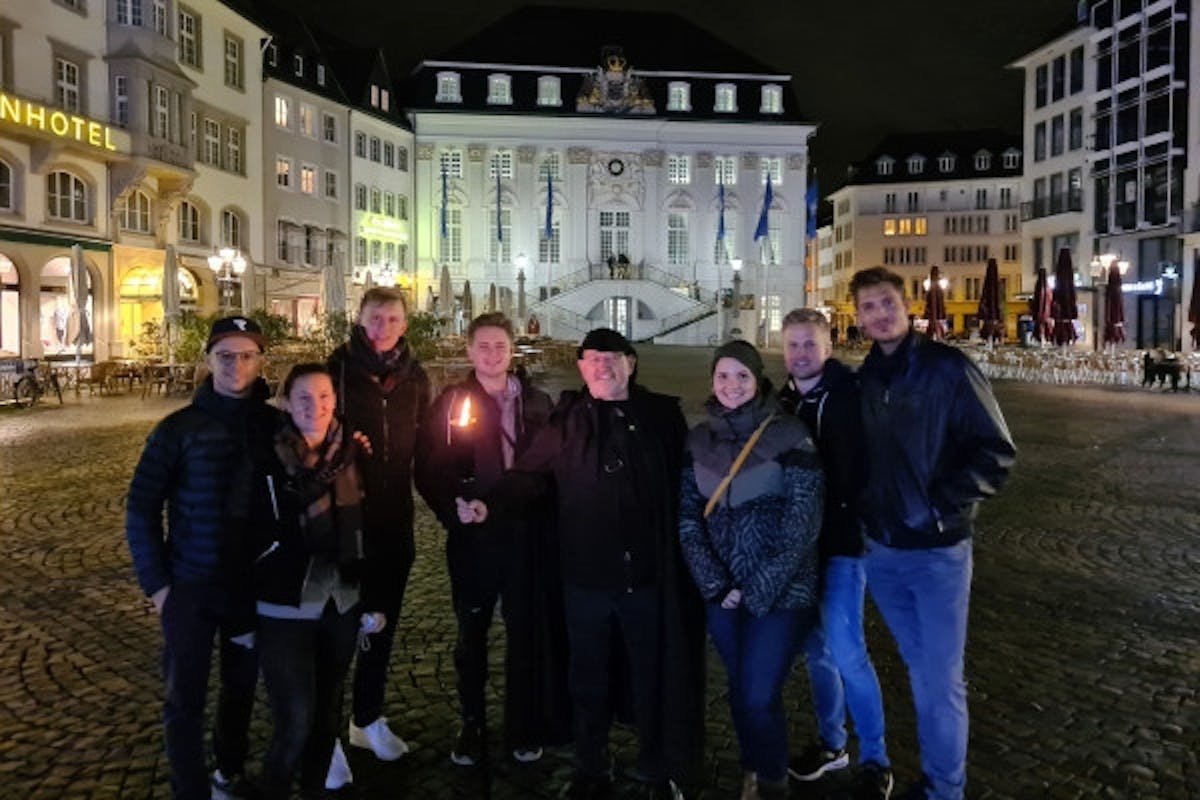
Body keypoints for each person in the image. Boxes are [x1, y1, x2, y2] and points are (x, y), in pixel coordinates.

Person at [456, 327, 705, 800]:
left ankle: (656, 766)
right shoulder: (566, 420)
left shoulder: (661, 417)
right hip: (585, 578)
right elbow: (529, 477)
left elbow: (691, 480)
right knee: (587, 677)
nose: (602, 366)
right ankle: (591, 765)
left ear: (631, 364)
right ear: (581, 367)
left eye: (612, 358)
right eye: (592, 359)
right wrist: (489, 503)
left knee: (649, 674)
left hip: (645, 578)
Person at [849, 267, 1015, 800]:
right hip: (882, 551)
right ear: (858, 317)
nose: (879, 313)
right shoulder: (865, 380)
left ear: (907, 306)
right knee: (923, 672)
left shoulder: (948, 368)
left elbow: (996, 452)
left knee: (941, 681)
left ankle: (947, 789)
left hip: (938, 552)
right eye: (869, 306)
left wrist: (940, 506)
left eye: (887, 302)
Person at [125, 315, 277, 800]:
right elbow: (141, 506)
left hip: (249, 587)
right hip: (189, 585)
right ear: (208, 361)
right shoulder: (177, 429)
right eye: (226, 356)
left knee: (240, 690)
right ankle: (189, 788)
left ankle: (228, 774)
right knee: (184, 698)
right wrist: (159, 585)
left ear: (259, 361)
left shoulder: (274, 426)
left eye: (246, 355)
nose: (236, 365)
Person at [414, 312, 563, 767]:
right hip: (473, 538)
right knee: (471, 635)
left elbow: (550, 470)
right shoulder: (452, 402)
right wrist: (451, 510)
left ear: (512, 350)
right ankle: (472, 721)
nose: (492, 355)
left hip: (523, 537)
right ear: (469, 351)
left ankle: (523, 723)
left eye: (500, 346)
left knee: (525, 635)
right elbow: (429, 465)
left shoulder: (537, 404)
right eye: (484, 347)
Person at [678, 340, 823, 800]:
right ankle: (753, 769)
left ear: (758, 381)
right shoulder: (698, 438)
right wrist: (717, 584)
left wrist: (756, 589)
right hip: (722, 592)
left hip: (781, 593)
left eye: (742, 376)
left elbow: (803, 520)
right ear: (712, 381)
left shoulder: (790, 433)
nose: (732, 385)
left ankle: (773, 781)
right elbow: (686, 517)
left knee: (759, 692)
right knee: (743, 690)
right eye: (723, 376)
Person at [248, 363, 386, 800]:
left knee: (328, 715)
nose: (316, 407)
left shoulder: (352, 453)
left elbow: (374, 527)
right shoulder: (266, 457)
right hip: (283, 602)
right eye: (304, 398)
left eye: (324, 397)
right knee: (295, 718)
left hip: (340, 599)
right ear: (286, 402)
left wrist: (373, 595)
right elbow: (242, 530)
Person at [778, 309, 893, 798]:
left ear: (827, 347)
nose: (801, 353)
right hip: (799, 551)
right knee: (817, 653)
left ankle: (876, 760)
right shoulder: (780, 402)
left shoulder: (852, 397)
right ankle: (832, 743)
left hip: (844, 544)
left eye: (809, 344)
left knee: (848, 652)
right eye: (793, 345)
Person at [328, 286, 430, 762]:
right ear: (360, 319)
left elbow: (429, 450)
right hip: (344, 523)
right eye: (375, 318)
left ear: (404, 325)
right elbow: (311, 439)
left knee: (380, 626)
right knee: (337, 630)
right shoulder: (338, 370)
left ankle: (366, 718)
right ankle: (325, 737)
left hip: (395, 522)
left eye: (392, 319)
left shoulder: (416, 377)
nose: (383, 327)